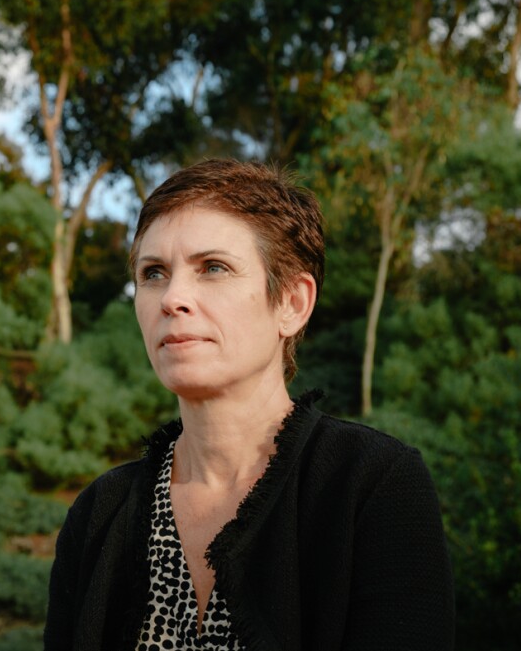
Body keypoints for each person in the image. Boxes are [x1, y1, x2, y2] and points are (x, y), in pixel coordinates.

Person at [44, 158, 455, 651]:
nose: (172, 298)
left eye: (213, 268)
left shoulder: (372, 486)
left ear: (292, 304)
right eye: (153, 273)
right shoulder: (99, 512)